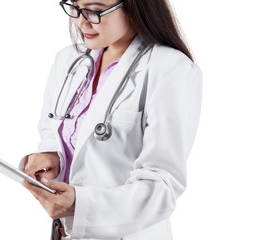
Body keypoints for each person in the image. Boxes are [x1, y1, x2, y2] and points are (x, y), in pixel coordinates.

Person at [19, 0, 202, 239]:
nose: (81, 21)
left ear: (137, 7)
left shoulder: (171, 70)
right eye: (75, 7)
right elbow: (52, 131)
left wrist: (81, 204)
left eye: (94, 11)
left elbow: (162, 187)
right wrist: (53, 155)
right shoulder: (67, 61)